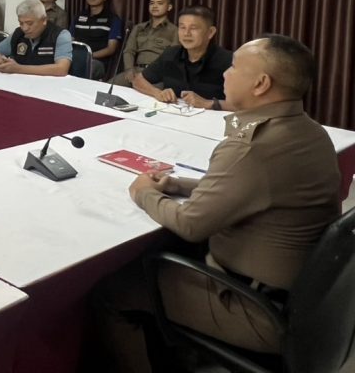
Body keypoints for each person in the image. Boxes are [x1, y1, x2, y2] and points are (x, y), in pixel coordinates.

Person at [94, 35, 340, 372]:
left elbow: (190, 224)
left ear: (261, 84)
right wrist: (178, 184)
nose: (225, 73)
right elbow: (252, 189)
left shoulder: (252, 147)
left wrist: (143, 192)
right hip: (306, 300)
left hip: (256, 308)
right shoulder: (310, 131)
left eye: (235, 67)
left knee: (111, 291)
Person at [132, 5, 233, 109]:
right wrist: (157, 93)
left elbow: (243, 104)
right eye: (182, 27)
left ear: (210, 32)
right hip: (173, 115)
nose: (186, 33)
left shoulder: (228, 60)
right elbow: (138, 80)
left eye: (193, 28)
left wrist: (207, 103)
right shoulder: (170, 54)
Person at [0, 0, 72, 76]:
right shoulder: (18, 33)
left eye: (30, 23)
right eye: (21, 23)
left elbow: (62, 69)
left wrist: (18, 69)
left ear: (44, 20)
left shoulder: (60, 35)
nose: (25, 28)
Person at [112, 0, 178, 86]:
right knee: (107, 88)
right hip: (136, 71)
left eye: (160, 3)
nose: (155, 6)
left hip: (158, 74)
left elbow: (173, 58)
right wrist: (129, 69)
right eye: (152, 3)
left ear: (169, 7)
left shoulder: (175, 31)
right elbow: (129, 51)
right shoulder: (138, 28)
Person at [71, 0, 123, 79]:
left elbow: (111, 49)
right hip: (75, 56)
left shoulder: (113, 19)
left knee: (82, 68)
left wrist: (88, 56)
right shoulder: (79, 16)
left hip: (97, 61)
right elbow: (71, 40)